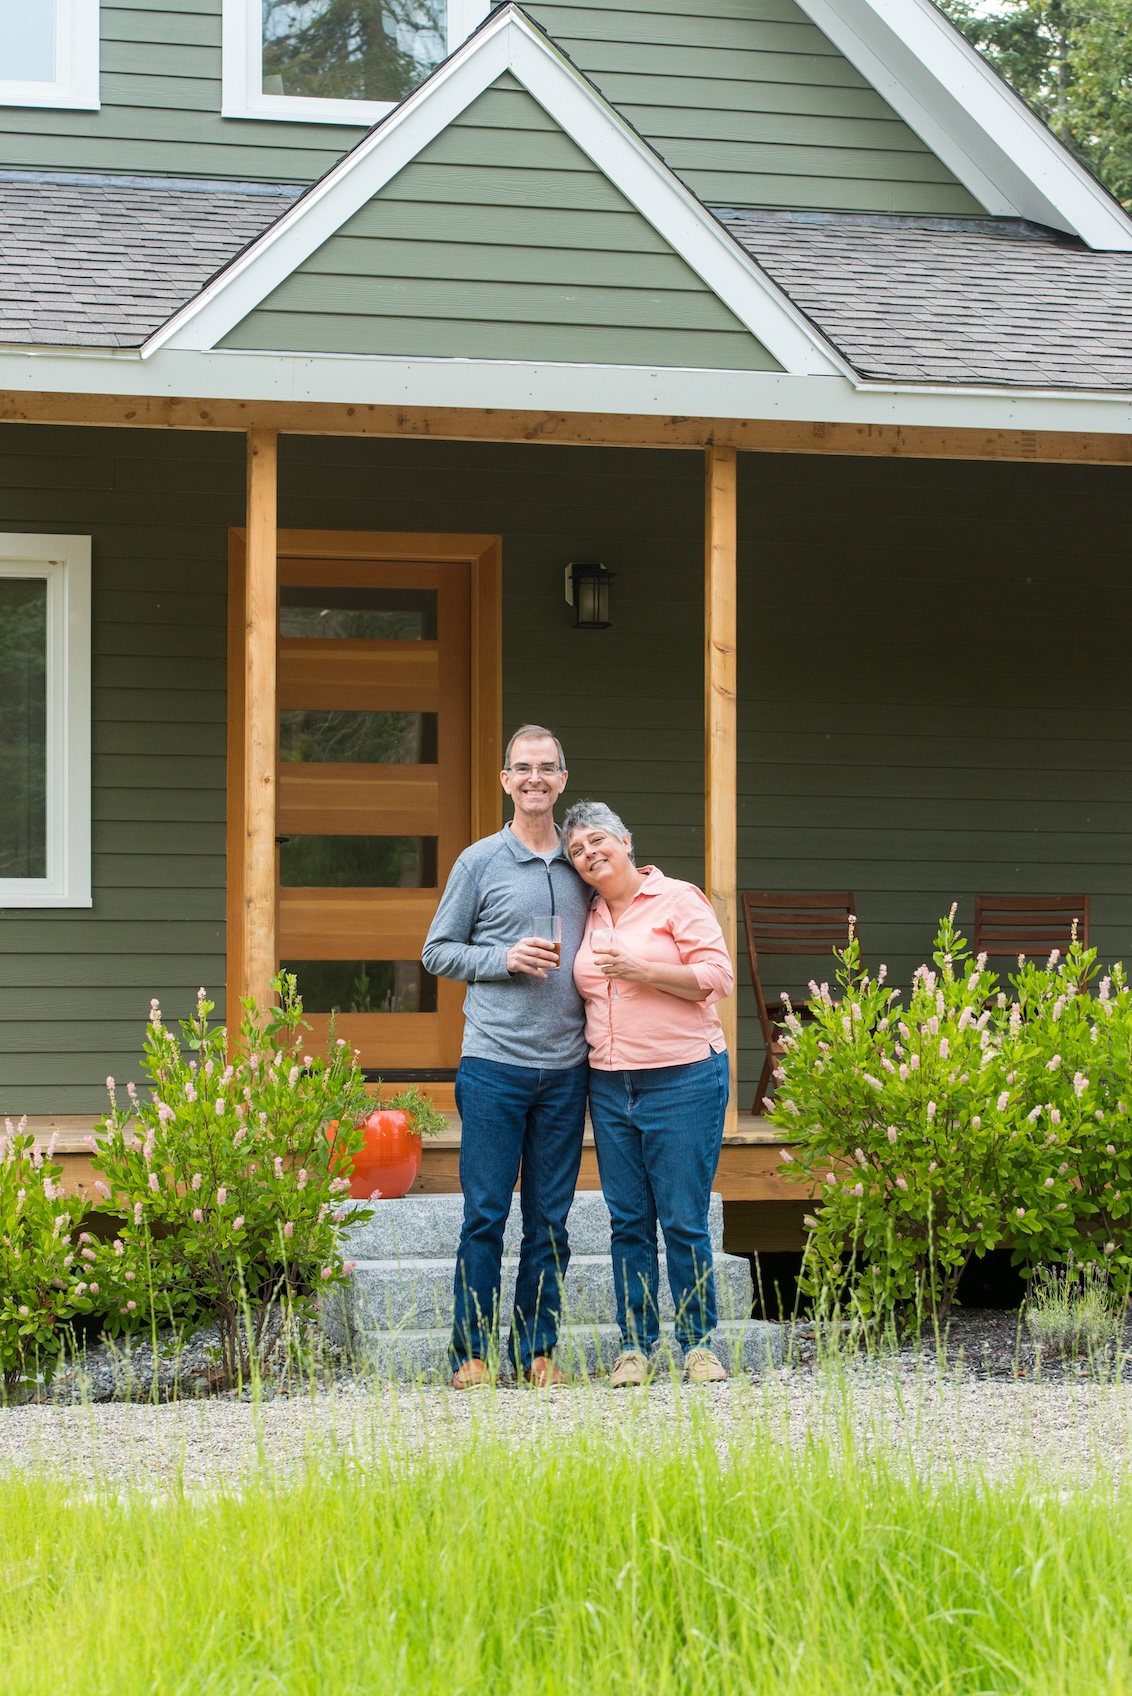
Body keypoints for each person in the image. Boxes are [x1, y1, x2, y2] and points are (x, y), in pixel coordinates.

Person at [422, 725, 591, 1388]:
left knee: (550, 1220)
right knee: (486, 1214)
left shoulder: (580, 865)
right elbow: (437, 951)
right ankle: (470, 1354)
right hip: (493, 1065)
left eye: (547, 768)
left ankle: (536, 1351)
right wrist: (502, 958)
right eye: (523, 768)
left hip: (566, 1070)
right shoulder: (479, 863)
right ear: (504, 780)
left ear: (562, 780)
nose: (534, 779)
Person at [562, 800, 734, 1387]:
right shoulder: (583, 913)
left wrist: (641, 970)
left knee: (684, 1219)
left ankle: (698, 1346)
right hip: (610, 1085)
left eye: (597, 841)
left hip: (683, 1078)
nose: (589, 854)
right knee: (628, 1220)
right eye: (578, 850)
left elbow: (718, 977)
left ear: (626, 840)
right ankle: (635, 1347)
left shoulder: (679, 899)